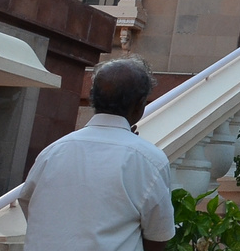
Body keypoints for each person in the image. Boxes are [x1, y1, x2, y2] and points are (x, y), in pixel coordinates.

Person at [21, 57, 175, 251]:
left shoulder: (52, 152)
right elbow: (158, 236)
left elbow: (29, 204)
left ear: (93, 97)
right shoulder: (149, 160)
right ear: (140, 105)